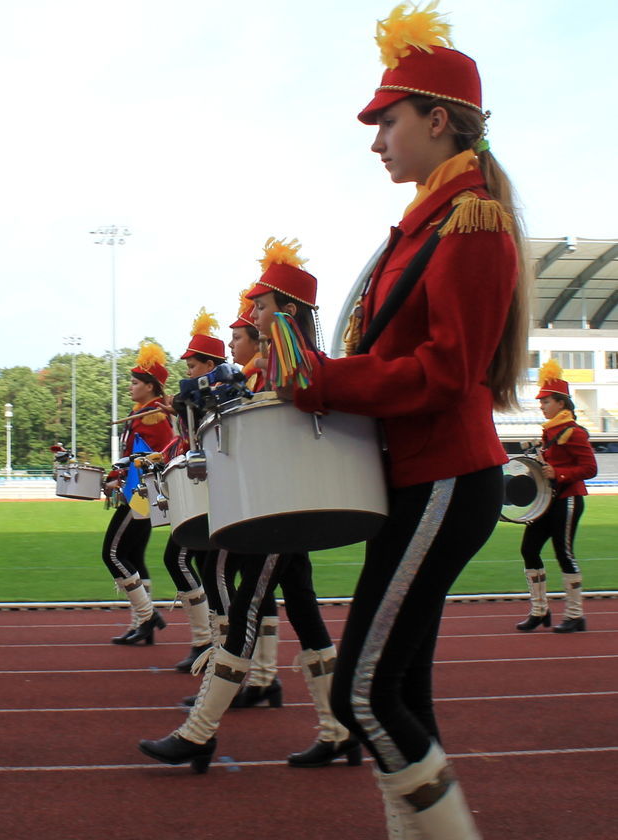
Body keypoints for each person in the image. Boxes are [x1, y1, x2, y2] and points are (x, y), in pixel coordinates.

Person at [288, 5, 527, 834]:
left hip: (446, 475)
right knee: (397, 691)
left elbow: (444, 374)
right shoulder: (432, 217)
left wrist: (322, 384)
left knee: (362, 693)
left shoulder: (472, 220)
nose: (375, 139)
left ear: (436, 119)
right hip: (421, 478)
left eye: (386, 120)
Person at [141, 239, 360, 772]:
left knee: (244, 608)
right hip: (282, 502)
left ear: (286, 312)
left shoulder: (292, 363)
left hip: (281, 505)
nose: (250, 314)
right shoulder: (272, 366)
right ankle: (337, 731)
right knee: (304, 614)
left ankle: (200, 733)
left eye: (260, 306)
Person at [101, 342, 175, 645]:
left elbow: (149, 456)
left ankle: (147, 616)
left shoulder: (153, 416)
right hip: (142, 492)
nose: (130, 387)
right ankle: (142, 625)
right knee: (133, 556)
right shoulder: (142, 413)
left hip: (141, 494)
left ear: (150, 386)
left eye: (134, 382)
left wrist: (118, 476)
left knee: (112, 554)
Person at [517, 359, 596, 633]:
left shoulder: (573, 432)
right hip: (548, 501)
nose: (541, 405)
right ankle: (540, 610)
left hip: (568, 498)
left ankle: (575, 615)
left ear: (561, 403)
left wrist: (558, 473)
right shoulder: (550, 430)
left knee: (564, 554)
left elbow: (590, 469)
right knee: (528, 550)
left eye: (546, 401)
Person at [163, 312, 221, 671]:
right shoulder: (195, 399)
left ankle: (209, 644)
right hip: (204, 492)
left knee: (187, 560)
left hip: (217, 493)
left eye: (192, 365)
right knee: (201, 564)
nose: (188, 372)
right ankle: (209, 643)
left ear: (210, 365)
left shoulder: (215, 393)